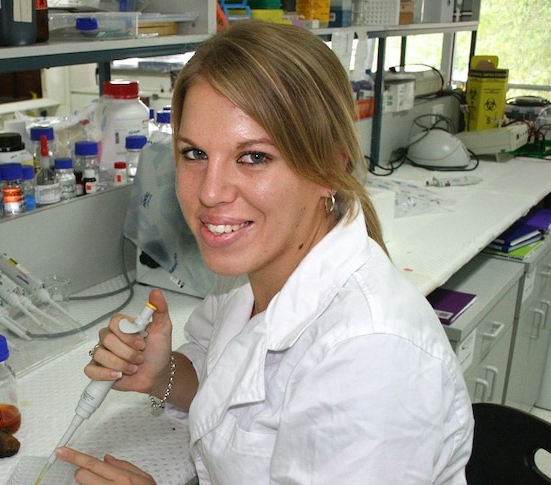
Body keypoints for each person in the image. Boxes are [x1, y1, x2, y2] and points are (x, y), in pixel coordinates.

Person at [57, 19, 474, 484]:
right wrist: (163, 374)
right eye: (194, 154)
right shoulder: (254, 262)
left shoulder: (370, 358)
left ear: (329, 169)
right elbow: (228, 388)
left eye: (253, 156)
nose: (210, 193)